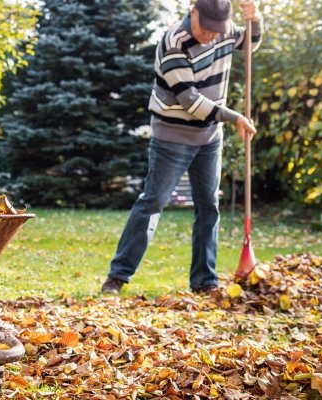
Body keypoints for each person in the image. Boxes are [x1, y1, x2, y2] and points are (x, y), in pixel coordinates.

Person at [101, 0, 262, 295]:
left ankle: (204, 281)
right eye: (207, 28)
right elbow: (190, 100)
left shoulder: (222, 30)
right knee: (153, 203)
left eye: (218, 30)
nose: (212, 35)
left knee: (209, 206)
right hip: (172, 136)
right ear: (193, 12)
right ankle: (117, 276)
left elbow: (249, 43)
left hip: (210, 138)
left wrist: (256, 19)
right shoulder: (174, 42)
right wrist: (234, 116)